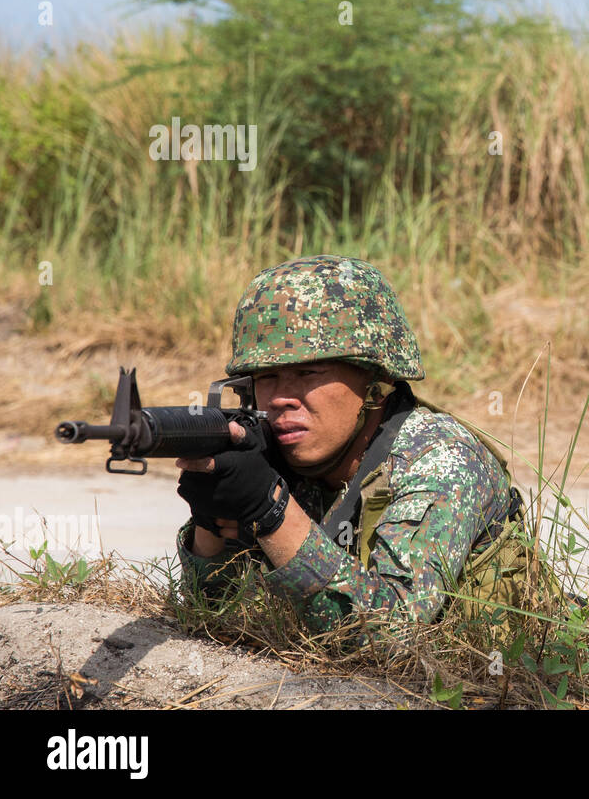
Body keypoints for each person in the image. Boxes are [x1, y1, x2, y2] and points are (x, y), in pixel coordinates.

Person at [175, 255, 532, 635]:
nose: (281, 398)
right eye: (267, 377)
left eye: (308, 372)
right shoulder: (277, 457)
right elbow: (214, 618)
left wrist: (270, 511)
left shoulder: (441, 458)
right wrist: (211, 522)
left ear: (373, 380)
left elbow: (391, 633)